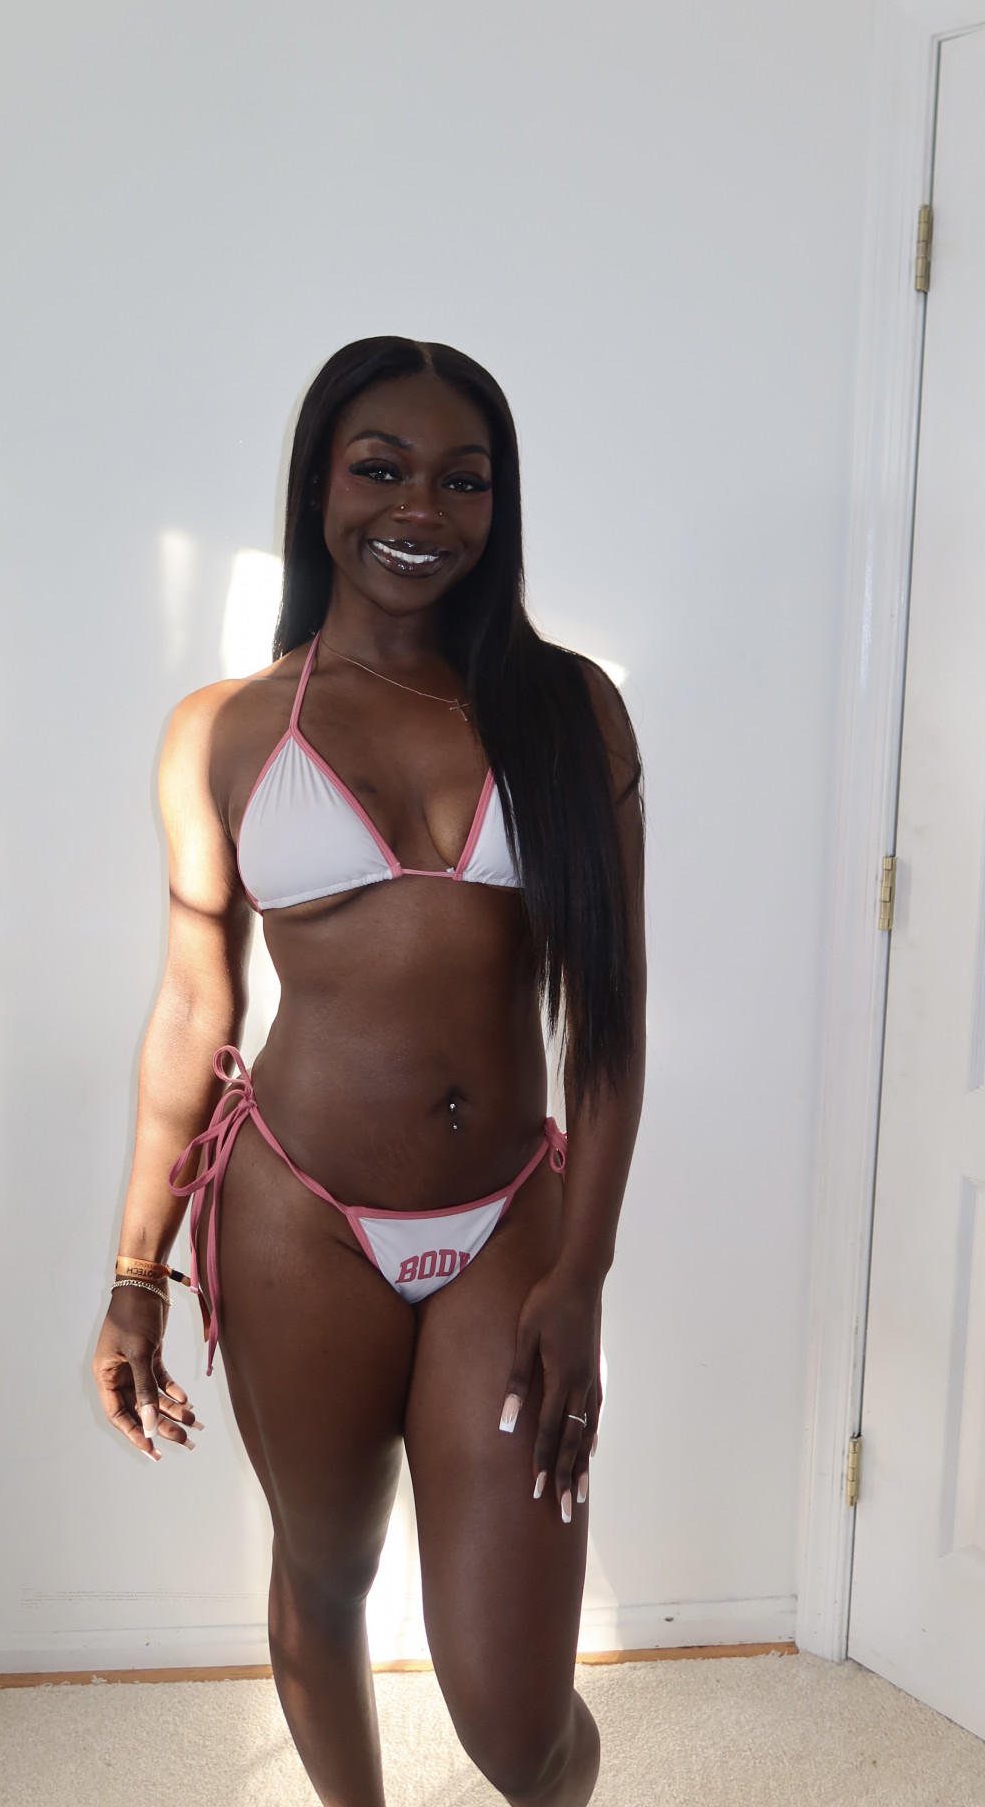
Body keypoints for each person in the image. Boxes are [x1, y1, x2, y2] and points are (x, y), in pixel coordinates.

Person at [92, 337, 645, 1807]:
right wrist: (138, 1273)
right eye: (381, 468)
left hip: (510, 1228)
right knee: (324, 1576)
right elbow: (193, 1005)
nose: (421, 509)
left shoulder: (568, 711)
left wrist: (581, 1276)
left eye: (464, 480)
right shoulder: (225, 730)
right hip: (298, 1217)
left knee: (518, 1726)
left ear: (498, 506)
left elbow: (608, 1020)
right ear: (318, 486)